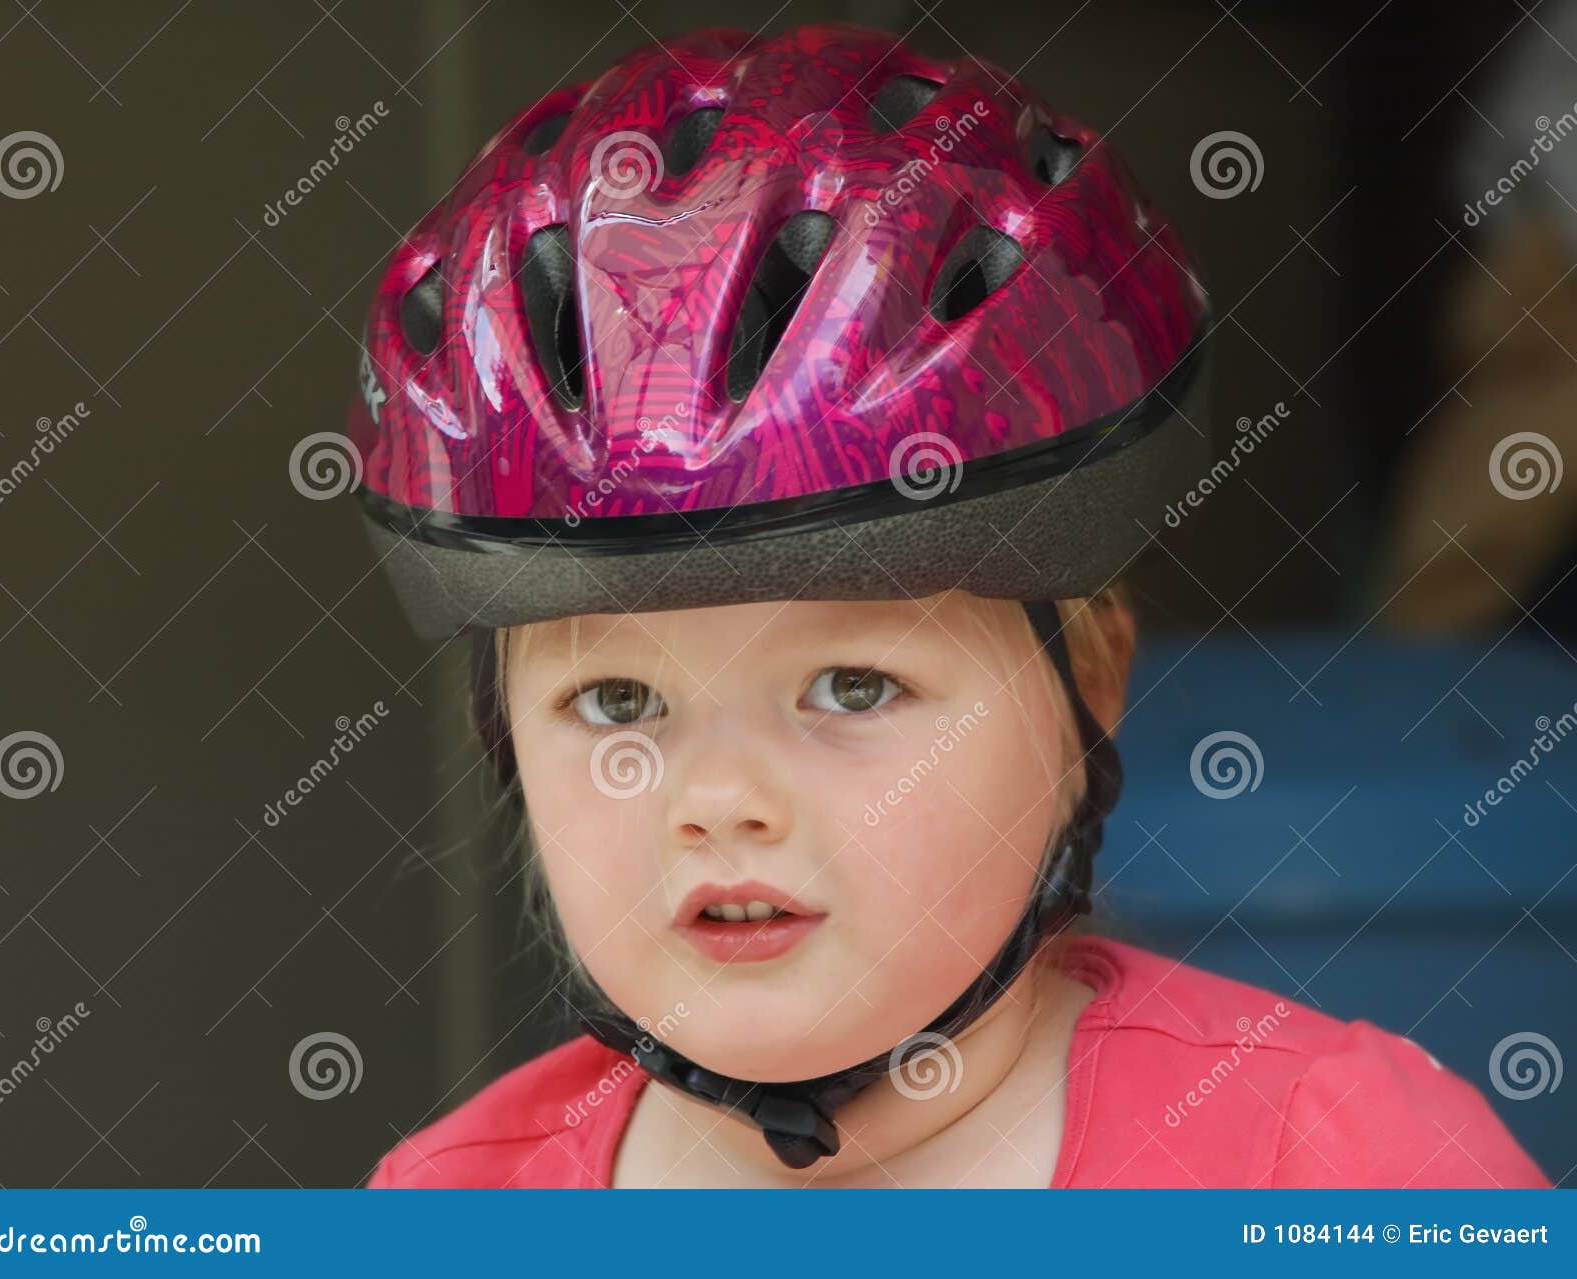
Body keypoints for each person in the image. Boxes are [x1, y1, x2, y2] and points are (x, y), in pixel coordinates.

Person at [349, 23, 1550, 1188]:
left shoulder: (1346, 1168)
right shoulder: (446, 1202)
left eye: (853, 686)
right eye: (615, 701)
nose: (718, 804)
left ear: (1089, 684)